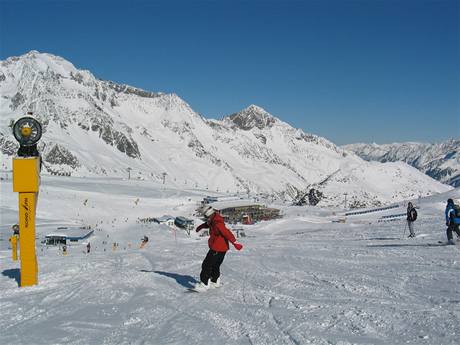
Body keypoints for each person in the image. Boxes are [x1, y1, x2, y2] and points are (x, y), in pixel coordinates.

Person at [193, 206, 243, 291]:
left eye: (205, 216)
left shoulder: (217, 223)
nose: (206, 218)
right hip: (222, 248)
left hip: (217, 247)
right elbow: (209, 224)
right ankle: (215, 281)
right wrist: (201, 226)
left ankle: (204, 284)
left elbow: (226, 232)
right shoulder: (214, 219)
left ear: (208, 214)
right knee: (215, 265)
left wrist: (235, 243)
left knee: (206, 265)